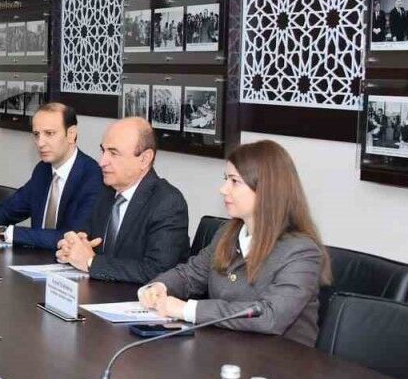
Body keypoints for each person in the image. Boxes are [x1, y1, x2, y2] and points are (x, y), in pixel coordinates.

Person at [138, 140, 328, 346]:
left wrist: (188, 310)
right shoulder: (227, 234)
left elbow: (270, 316)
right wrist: (160, 287)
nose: (223, 189)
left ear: (266, 189)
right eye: (225, 179)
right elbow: (189, 275)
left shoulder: (301, 252)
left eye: (234, 181)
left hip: (280, 360)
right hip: (226, 349)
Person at [56, 117, 189, 283]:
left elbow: (157, 271)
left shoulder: (168, 202)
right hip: (100, 291)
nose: (102, 162)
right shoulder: (104, 192)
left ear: (144, 159)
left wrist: (91, 262)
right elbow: (86, 239)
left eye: (113, 153)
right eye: (103, 151)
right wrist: (71, 248)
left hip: (140, 297)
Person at [0, 102, 102, 249]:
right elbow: (10, 209)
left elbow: (73, 238)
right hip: (35, 259)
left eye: (49, 133)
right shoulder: (43, 170)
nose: (40, 143)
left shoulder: (92, 176)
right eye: (36, 134)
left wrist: (3, 233)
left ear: (71, 134)